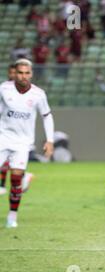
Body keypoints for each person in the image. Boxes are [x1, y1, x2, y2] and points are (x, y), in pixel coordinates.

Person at [0, 59, 54, 228]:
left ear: (31, 74)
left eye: (26, 73)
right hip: (2, 137)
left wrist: (50, 140)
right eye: (20, 73)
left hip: (23, 143)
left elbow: (47, 116)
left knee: (15, 178)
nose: (23, 76)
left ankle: (11, 218)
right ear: (14, 73)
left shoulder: (38, 94)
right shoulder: (4, 88)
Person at [0, 64, 34, 197]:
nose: (14, 75)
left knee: (9, 157)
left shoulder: (23, 90)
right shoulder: (4, 88)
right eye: (12, 73)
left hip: (14, 131)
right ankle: (23, 176)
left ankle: (2, 185)